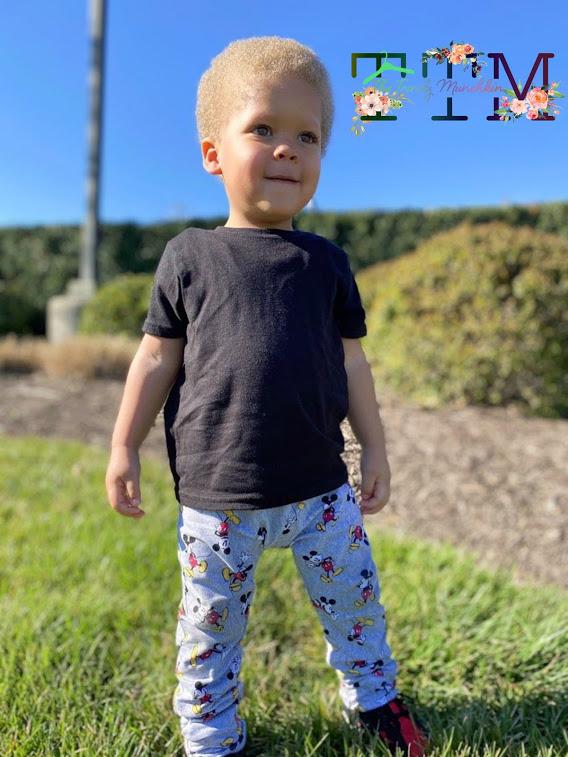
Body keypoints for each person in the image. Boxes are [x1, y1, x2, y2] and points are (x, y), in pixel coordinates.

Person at [105, 35, 430, 757]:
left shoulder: (327, 263)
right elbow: (156, 356)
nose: (288, 149)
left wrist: (374, 447)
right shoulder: (190, 256)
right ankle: (211, 733)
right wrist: (124, 445)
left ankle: (374, 698)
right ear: (213, 154)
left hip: (322, 490)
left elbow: (353, 365)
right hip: (220, 496)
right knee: (209, 627)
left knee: (357, 606)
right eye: (263, 128)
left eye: (307, 137)